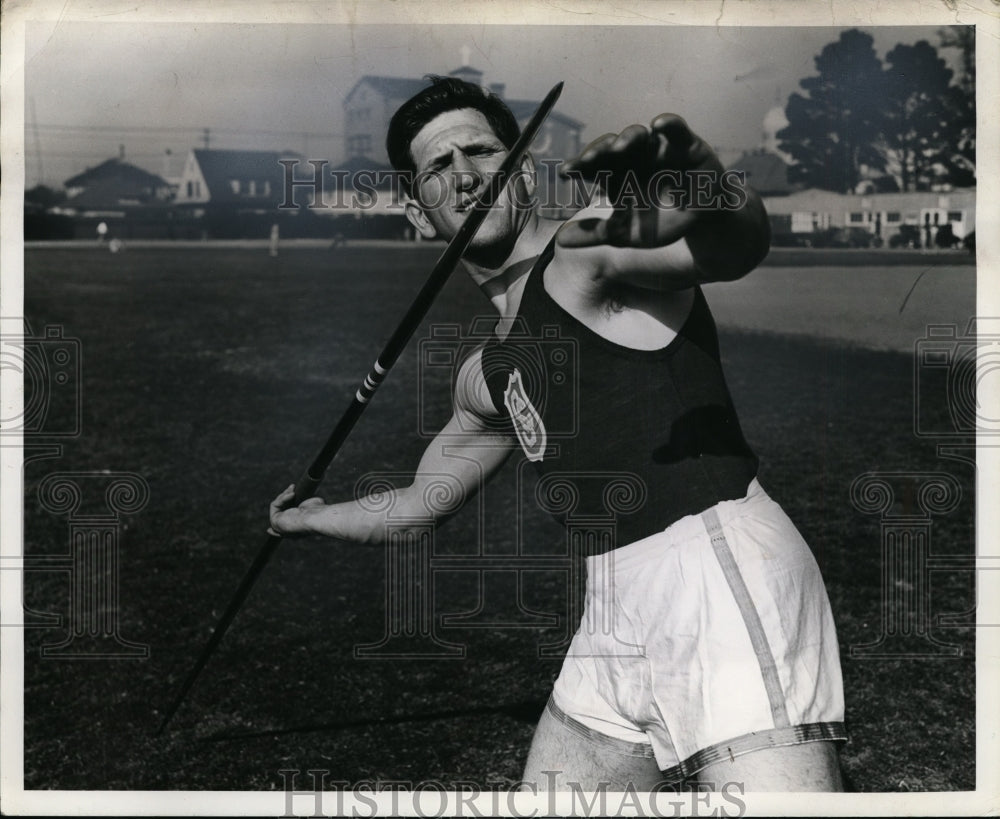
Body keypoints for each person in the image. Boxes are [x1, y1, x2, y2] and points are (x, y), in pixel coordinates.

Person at [269, 76, 846, 792]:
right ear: (420, 216)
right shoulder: (487, 372)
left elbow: (734, 246)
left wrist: (704, 181)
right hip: (612, 604)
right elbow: (421, 502)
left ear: (521, 170)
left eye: (481, 150)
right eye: (439, 168)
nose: (465, 173)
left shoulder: (585, 254)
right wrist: (313, 518)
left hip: (715, 569)